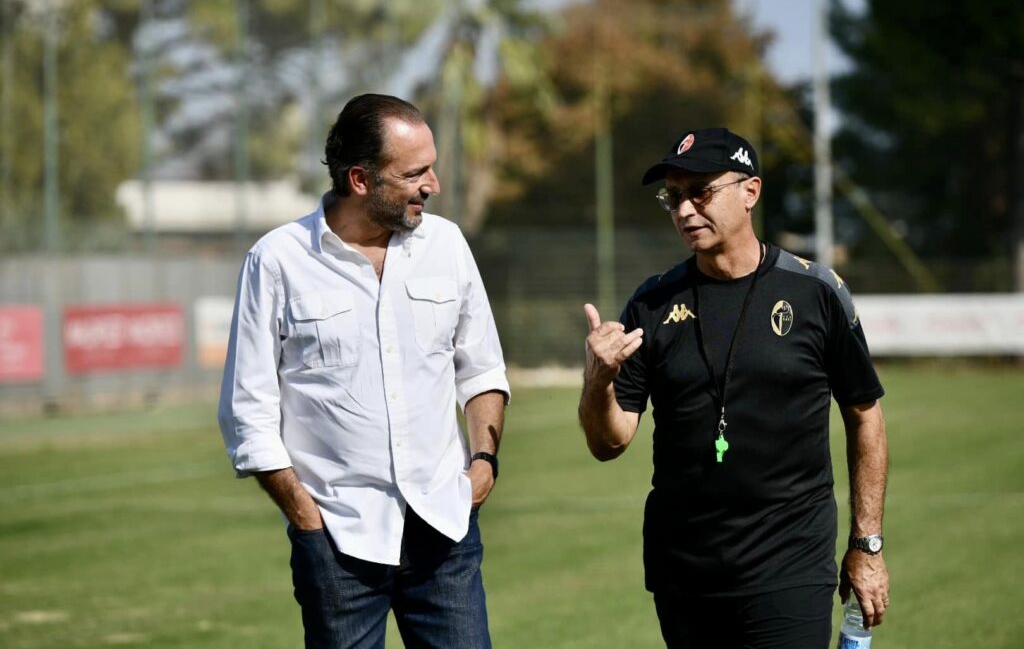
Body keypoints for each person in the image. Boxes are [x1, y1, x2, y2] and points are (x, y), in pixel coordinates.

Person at [578, 128, 890, 648]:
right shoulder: (651, 304)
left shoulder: (816, 292)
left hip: (791, 561)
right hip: (685, 569)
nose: (684, 210)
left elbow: (865, 415)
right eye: (673, 197)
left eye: (700, 191)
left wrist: (867, 543)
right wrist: (598, 383)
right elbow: (609, 442)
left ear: (751, 191)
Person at [218, 94, 509, 649]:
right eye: (415, 172)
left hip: (445, 532)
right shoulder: (276, 261)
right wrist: (306, 519)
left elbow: (482, 371)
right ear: (360, 178)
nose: (434, 185)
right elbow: (247, 412)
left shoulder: (446, 245)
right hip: (337, 542)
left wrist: (484, 464)